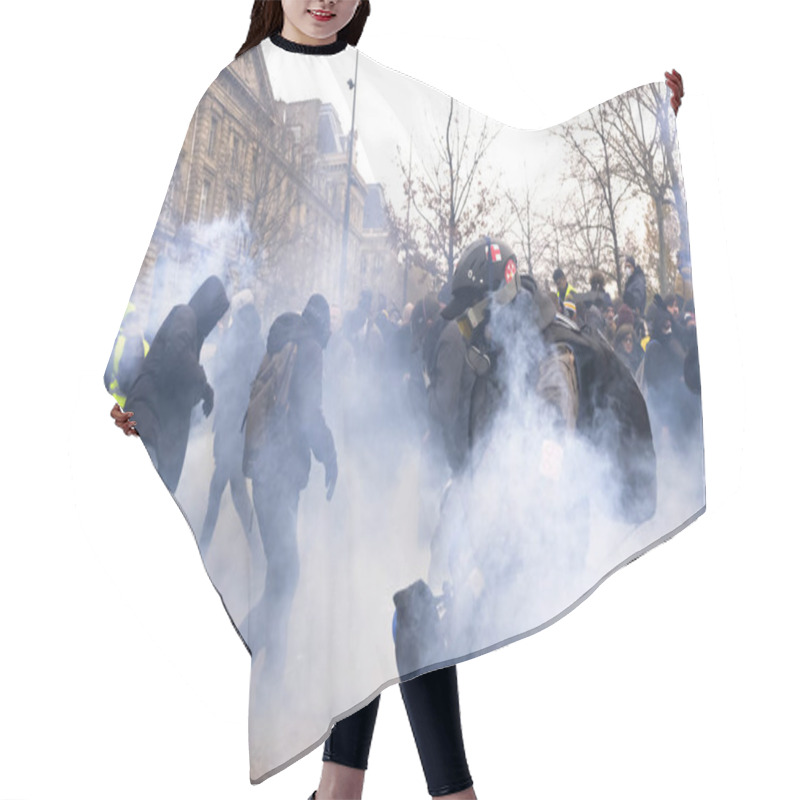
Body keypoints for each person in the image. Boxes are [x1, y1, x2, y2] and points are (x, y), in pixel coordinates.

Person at [109, 3, 686, 798]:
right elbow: (173, 248)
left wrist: (649, 112)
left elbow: (517, 154)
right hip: (404, 491)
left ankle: (376, 792)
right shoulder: (239, 87)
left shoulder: (371, 90)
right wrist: (128, 385)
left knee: (406, 623)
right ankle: (357, 789)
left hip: (501, 530)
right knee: (388, 624)